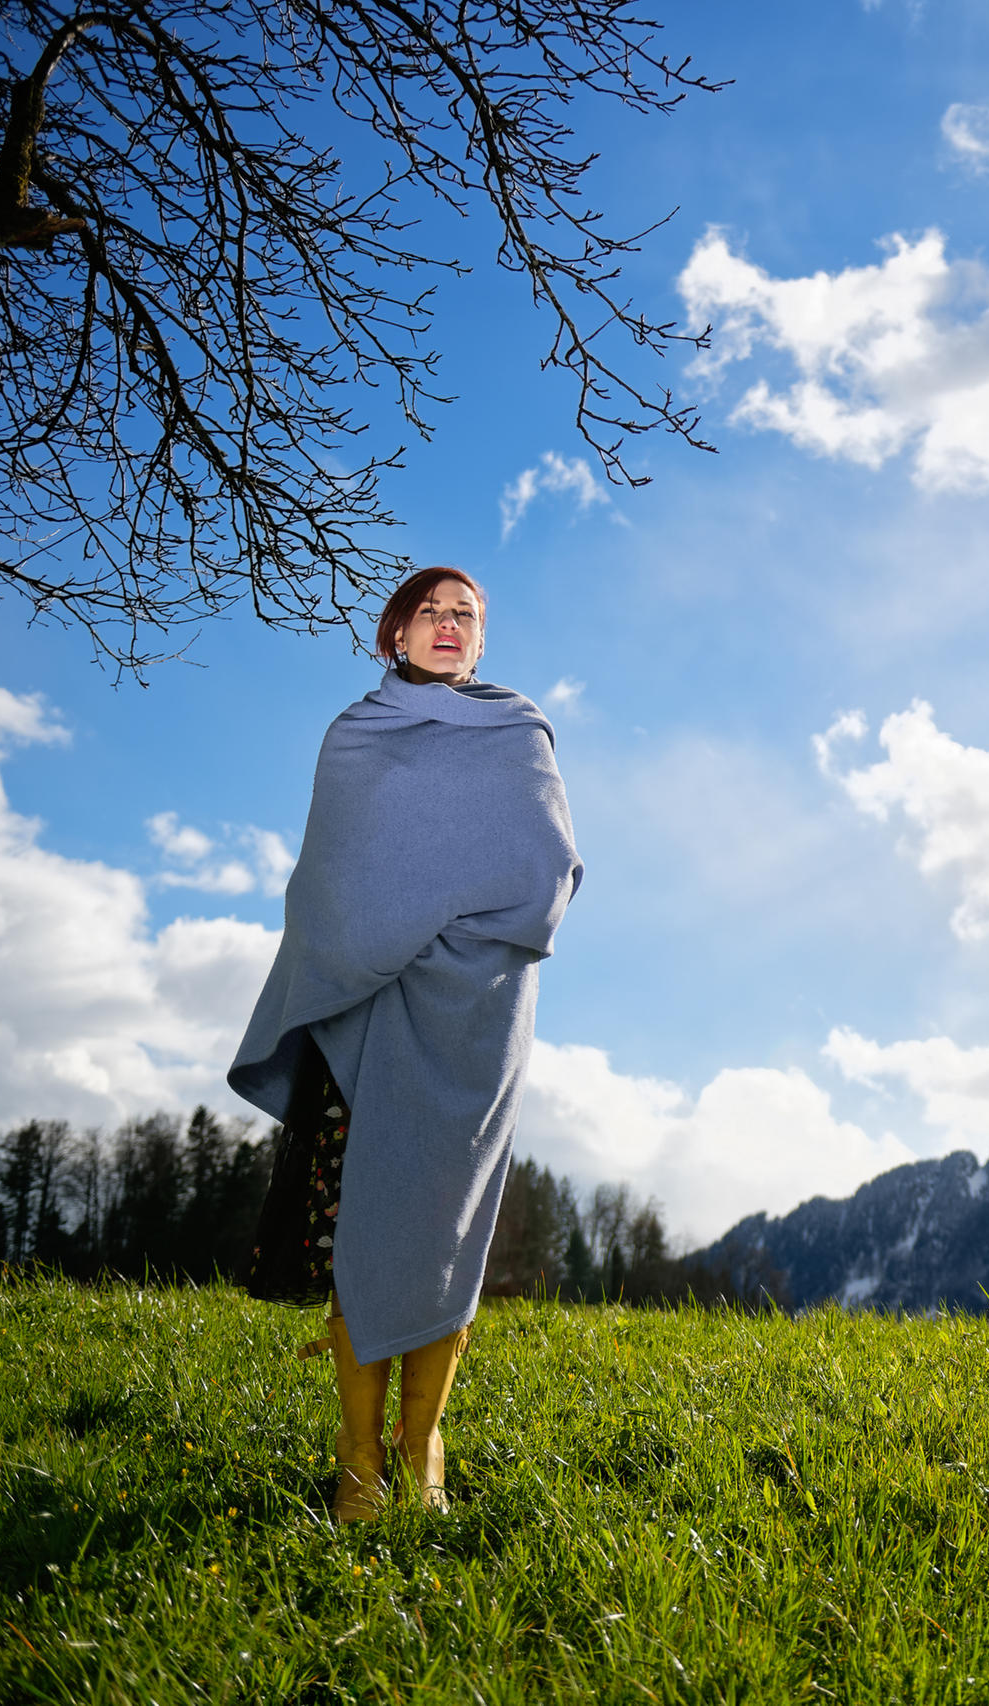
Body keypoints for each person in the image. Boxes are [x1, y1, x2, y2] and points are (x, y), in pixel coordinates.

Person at [229, 567, 583, 1521]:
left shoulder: (518, 734)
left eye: (465, 612)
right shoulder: (356, 740)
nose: (447, 624)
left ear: (481, 638)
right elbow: (329, 887)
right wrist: (390, 942)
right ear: (394, 633)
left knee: (447, 1228)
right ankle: (357, 1460)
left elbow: (547, 874)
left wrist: (446, 941)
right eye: (429, 610)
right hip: (371, 1010)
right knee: (365, 1223)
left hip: (479, 1014)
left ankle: (420, 1442)